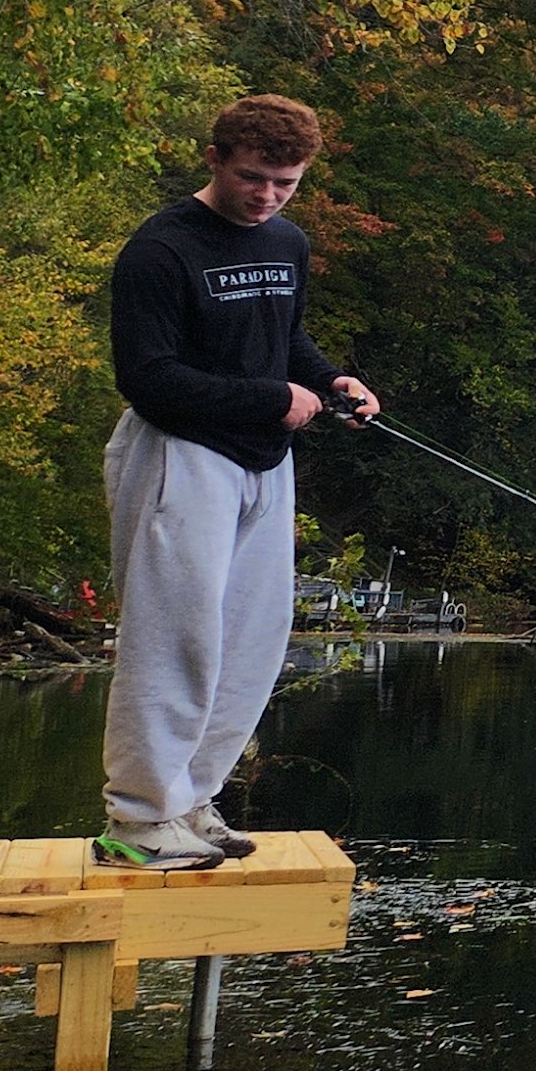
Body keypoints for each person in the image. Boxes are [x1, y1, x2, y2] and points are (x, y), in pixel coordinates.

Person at [98, 94, 379, 872]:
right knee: (173, 641)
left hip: (263, 462)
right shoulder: (160, 250)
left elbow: (283, 338)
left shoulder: (287, 242)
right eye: (254, 178)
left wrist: (332, 380)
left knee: (252, 641)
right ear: (217, 158)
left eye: (285, 184)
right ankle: (138, 820)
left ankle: (191, 800)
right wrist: (270, 399)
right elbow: (147, 379)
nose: (267, 197)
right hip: (177, 457)